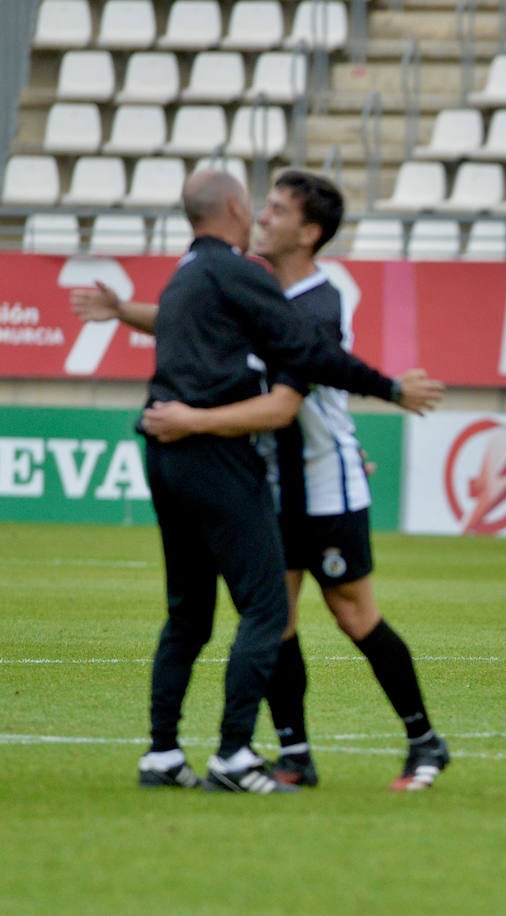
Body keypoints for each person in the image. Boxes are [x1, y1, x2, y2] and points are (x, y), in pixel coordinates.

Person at [78, 169, 444, 794]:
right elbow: (185, 316)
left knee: (354, 616)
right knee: (278, 621)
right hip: (275, 480)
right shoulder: (255, 284)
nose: (263, 217)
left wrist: (387, 391)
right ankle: (295, 754)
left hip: (326, 480)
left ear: (309, 232)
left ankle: (424, 742)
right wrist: (120, 313)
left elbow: (284, 402)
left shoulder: (320, 302)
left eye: (277, 209)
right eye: (262, 205)